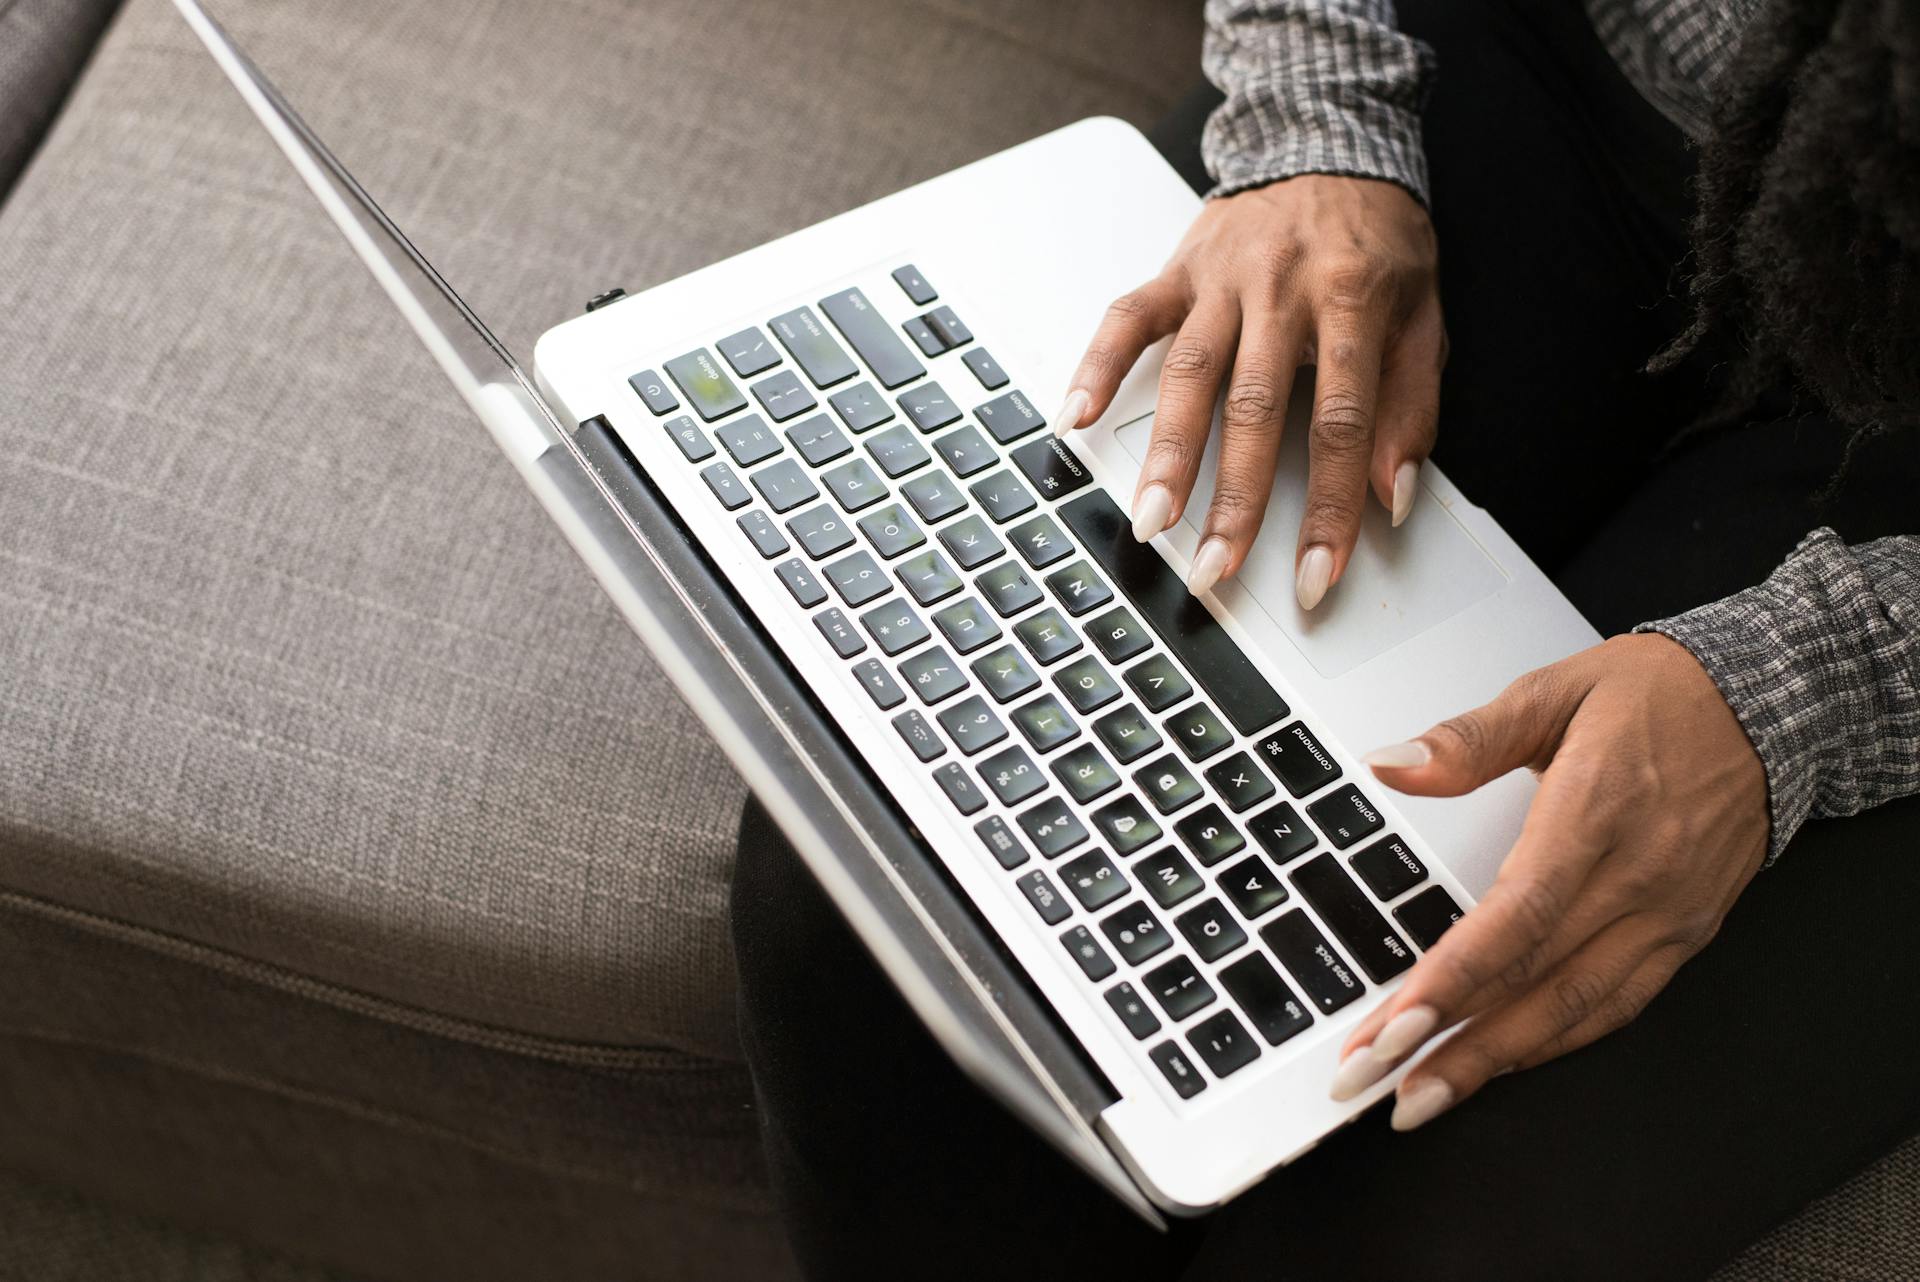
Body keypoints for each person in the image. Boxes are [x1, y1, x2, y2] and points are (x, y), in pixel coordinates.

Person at [730, 1, 1920, 1278]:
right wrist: (1315, 117)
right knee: (875, 908)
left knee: (1430, 1199)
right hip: (1553, 69)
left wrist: (1818, 681)